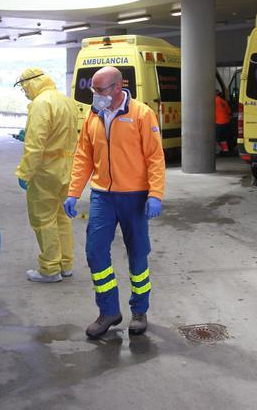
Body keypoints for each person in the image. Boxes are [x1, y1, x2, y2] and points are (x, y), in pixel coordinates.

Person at [63, 66, 166, 338]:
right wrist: (74, 192)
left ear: (118, 88)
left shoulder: (142, 114)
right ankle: (109, 310)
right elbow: (83, 156)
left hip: (134, 196)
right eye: (94, 90)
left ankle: (139, 311)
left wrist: (155, 194)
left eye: (101, 90)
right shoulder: (93, 116)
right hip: (102, 196)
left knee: (137, 254)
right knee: (95, 252)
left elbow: (155, 157)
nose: (96, 95)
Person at [14, 68, 78, 282]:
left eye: (24, 87)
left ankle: (50, 269)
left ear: (32, 82)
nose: (24, 92)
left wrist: (25, 172)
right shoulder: (65, 100)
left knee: (44, 219)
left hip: (45, 171)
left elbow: (35, 145)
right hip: (66, 167)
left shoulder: (41, 104)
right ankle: (65, 264)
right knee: (61, 217)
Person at [215, 90, 232, 154]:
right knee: (223, 138)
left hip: (219, 122)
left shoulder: (214, 101)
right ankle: (225, 151)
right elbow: (229, 112)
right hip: (226, 121)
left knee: (216, 137)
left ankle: (218, 150)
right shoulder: (224, 101)